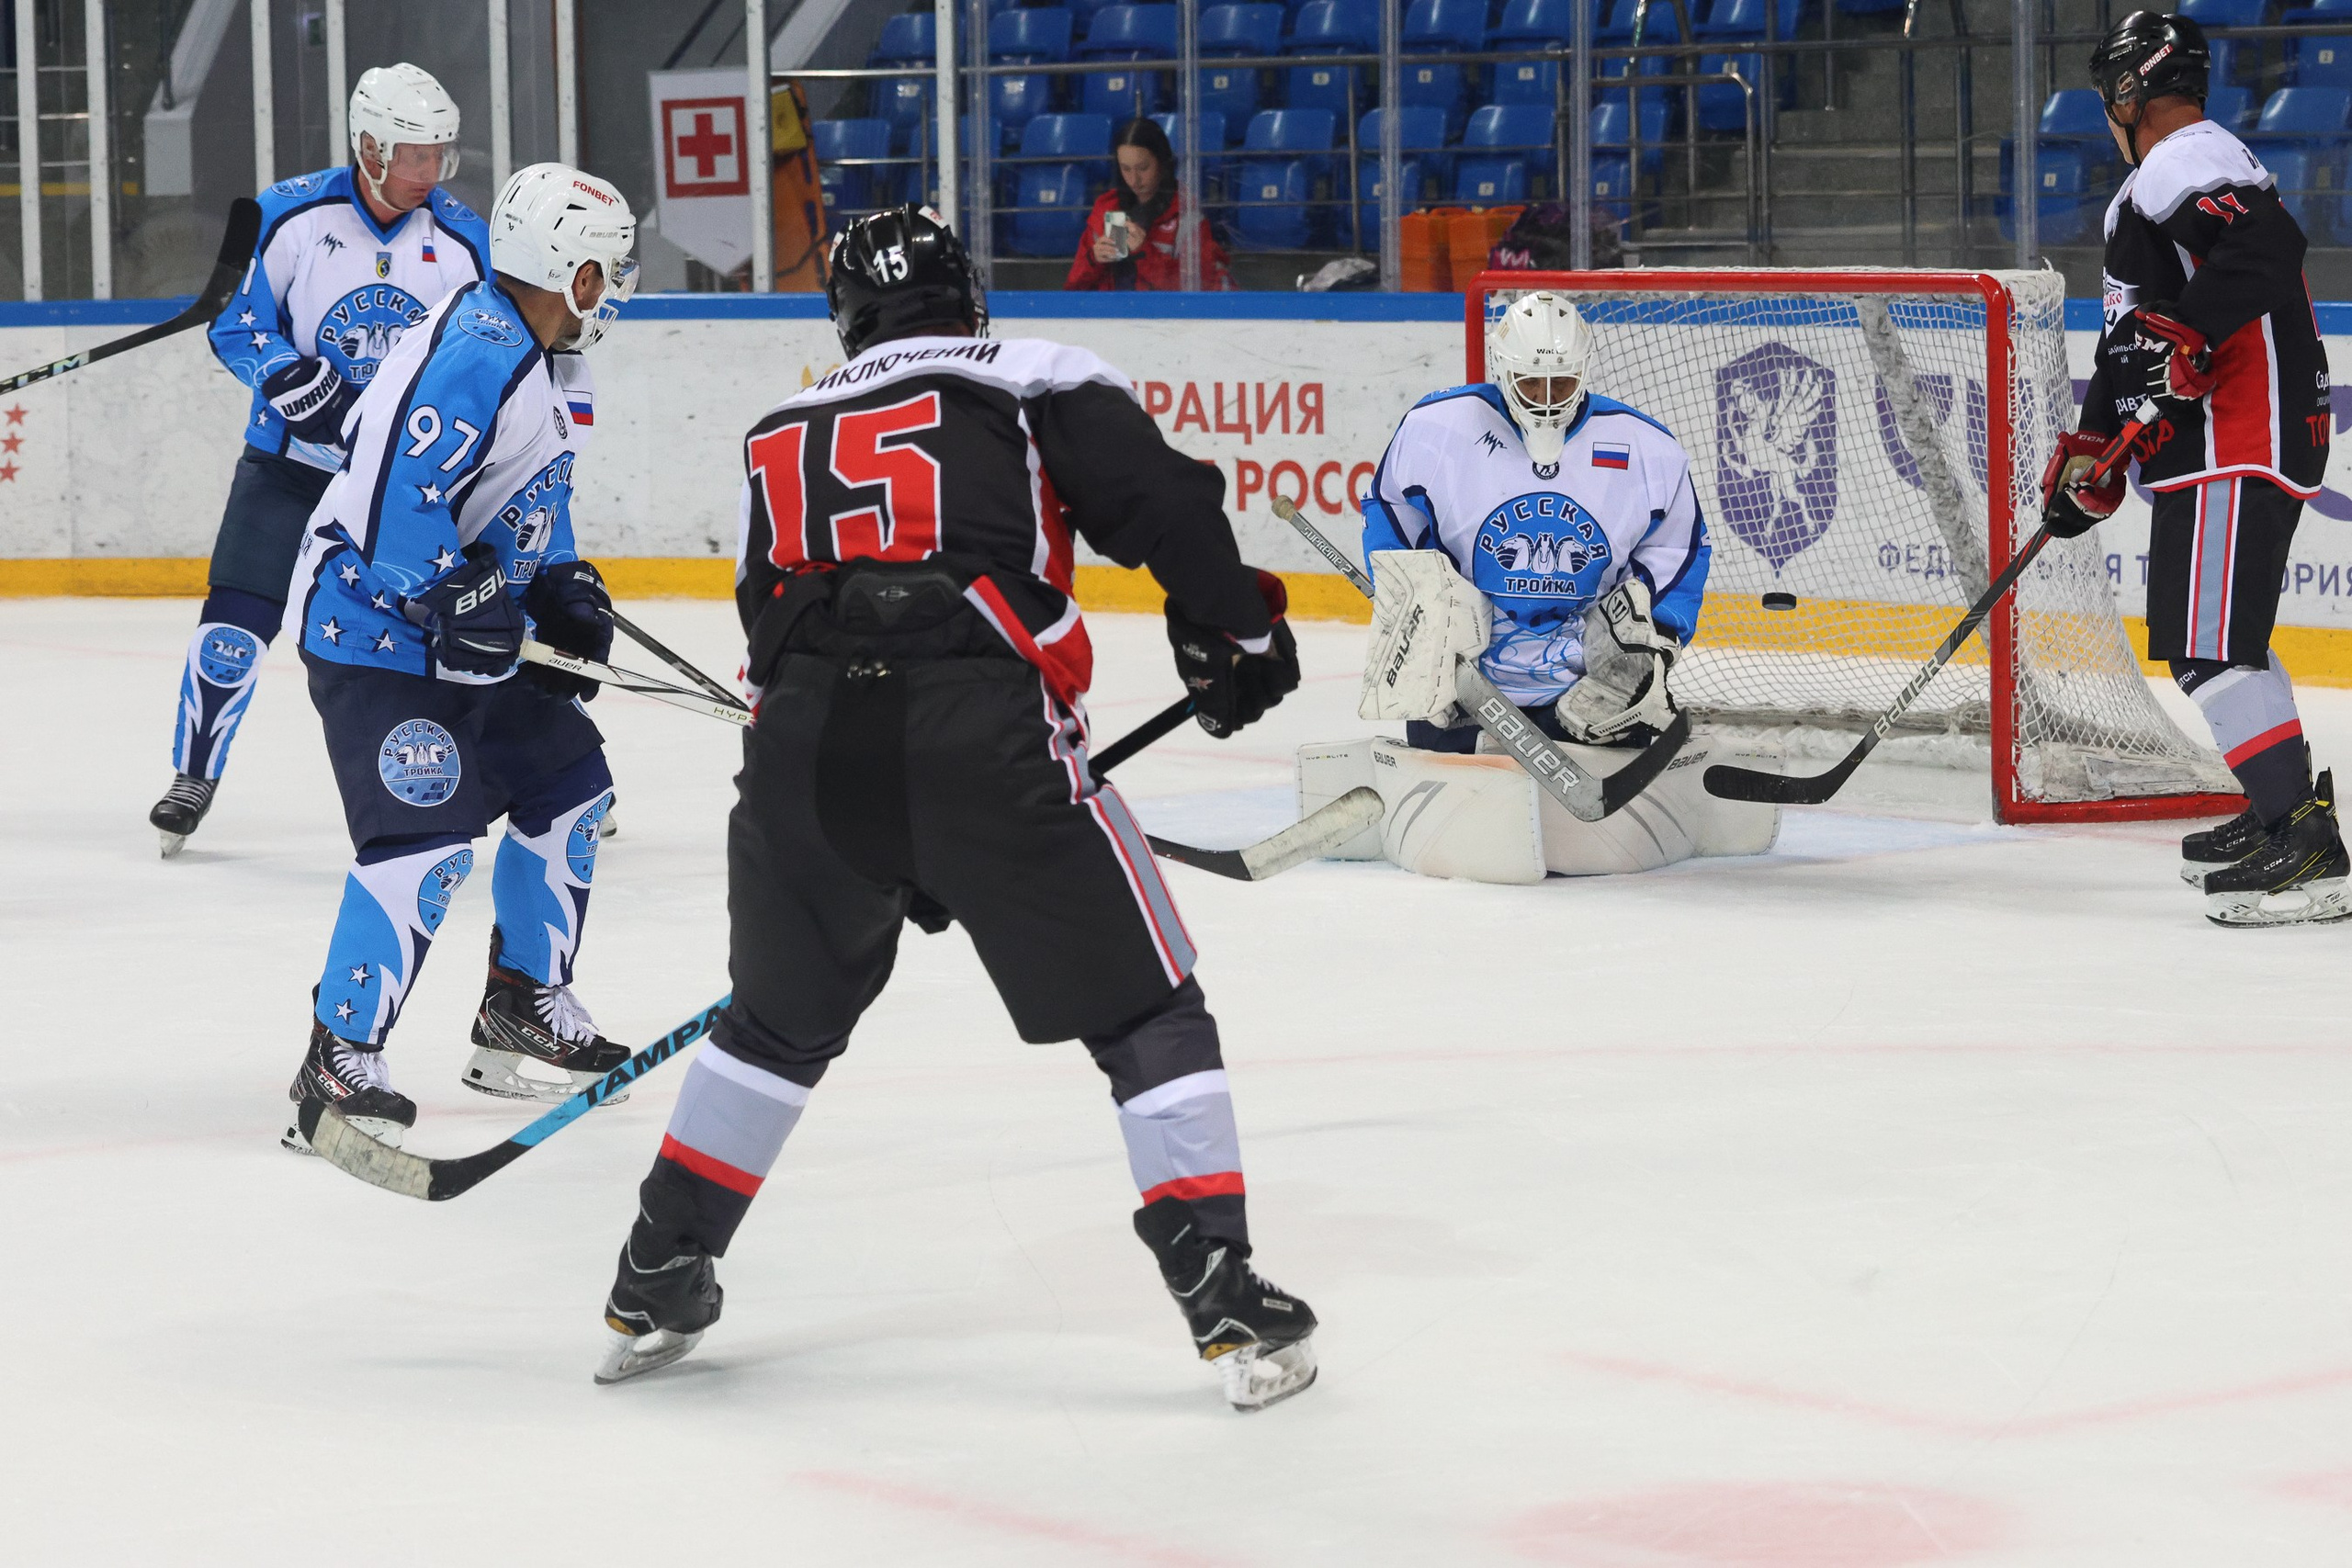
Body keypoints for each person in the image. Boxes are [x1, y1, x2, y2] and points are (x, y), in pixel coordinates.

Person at [594, 206, 1317, 1413]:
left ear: (847, 318)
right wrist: (1237, 626)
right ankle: (1220, 1284)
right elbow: (1170, 507)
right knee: (1148, 1007)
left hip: (805, 752)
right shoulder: (1031, 373)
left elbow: (761, 614)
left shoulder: (785, 423)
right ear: (963, 293)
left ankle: (659, 1264)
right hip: (985, 738)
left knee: (776, 1023)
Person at [278, 163, 642, 1155]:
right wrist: (452, 588)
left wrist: (559, 586)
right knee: (425, 840)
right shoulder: (477, 354)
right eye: (605, 269)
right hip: (376, 635)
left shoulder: (532, 349)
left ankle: (522, 1000)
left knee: (572, 783)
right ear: (566, 274)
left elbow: (533, 490)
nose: (615, 285)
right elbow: (399, 502)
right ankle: (336, 1056)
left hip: (454, 636)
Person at [2044, 11, 2340, 926]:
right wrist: (2093, 450)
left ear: (2128, 93)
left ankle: (2304, 843)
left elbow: (2262, 253)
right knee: (2219, 643)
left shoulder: (2184, 158)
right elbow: (2133, 336)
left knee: (2210, 651)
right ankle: (2276, 809)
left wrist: (2182, 337)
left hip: (2234, 436)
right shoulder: (2154, 183)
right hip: (2219, 440)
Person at [149, 63, 490, 856]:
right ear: (368, 146)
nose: (428, 173)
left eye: (439, 154)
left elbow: (489, 352)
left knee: (482, 620)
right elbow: (234, 324)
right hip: (289, 462)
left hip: (406, 483)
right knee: (235, 619)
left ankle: (549, 761)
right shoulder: (290, 213)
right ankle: (193, 771)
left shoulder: (464, 238)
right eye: (412, 155)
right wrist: (285, 375)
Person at [1318, 291, 1776, 882]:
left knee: (1587, 855)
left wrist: (1647, 639)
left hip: (1582, 683)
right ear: (1502, 369)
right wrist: (1424, 606)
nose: (1547, 399)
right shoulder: (1438, 428)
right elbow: (1390, 510)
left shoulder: (1646, 448)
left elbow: (1679, 550)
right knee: (1461, 855)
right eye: (1532, 384)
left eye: (1562, 383)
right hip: (1461, 675)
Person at [1064, 118, 1231, 291]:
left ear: (1162, 164)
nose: (1134, 180)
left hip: (1163, 316)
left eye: (1143, 168)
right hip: (1113, 314)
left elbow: (1198, 288)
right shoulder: (1106, 208)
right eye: (1125, 169)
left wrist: (1145, 253)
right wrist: (1093, 259)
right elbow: (1073, 288)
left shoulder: (1186, 215)